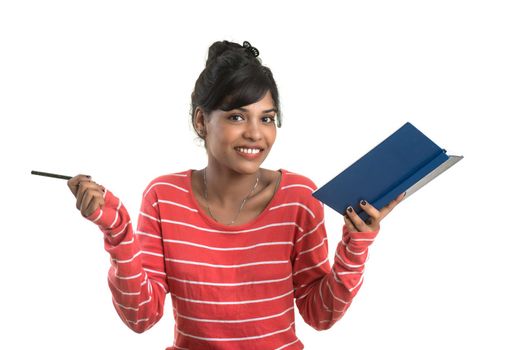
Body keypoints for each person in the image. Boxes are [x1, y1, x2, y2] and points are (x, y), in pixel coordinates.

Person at [67, 40, 405, 350]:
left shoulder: (299, 197)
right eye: (237, 116)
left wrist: (355, 245)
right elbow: (141, 316)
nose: (256, 134)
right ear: (202, 121)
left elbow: (320, 316)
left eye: (267, 118)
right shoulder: (163, 197)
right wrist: (115, 230)